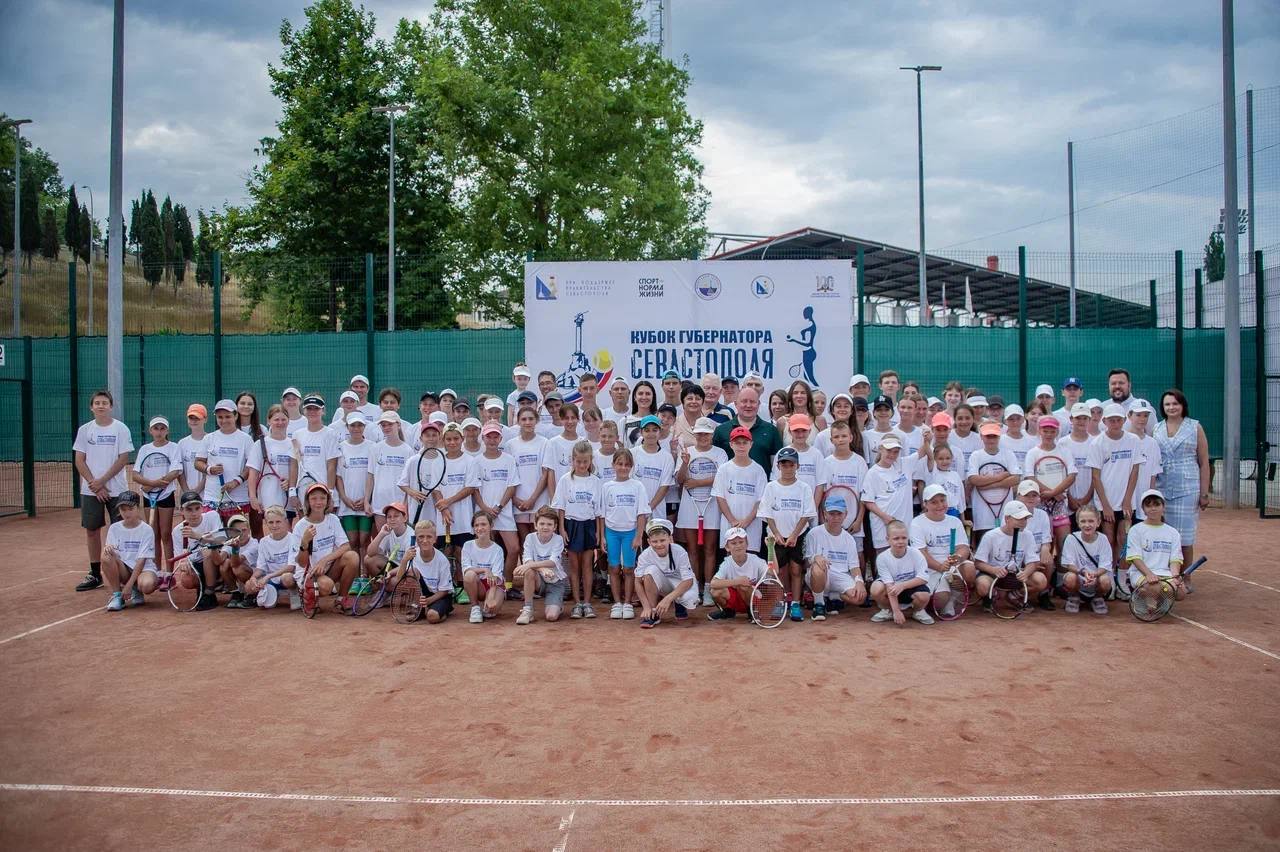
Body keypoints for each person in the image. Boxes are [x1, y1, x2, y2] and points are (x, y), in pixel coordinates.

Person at [73, 389, 135, 592]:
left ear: (111, 406)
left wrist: (102, 481)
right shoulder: (85, 430)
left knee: (122, 529)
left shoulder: (121, 429)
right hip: (91, 490)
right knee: (92, 530)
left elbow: (123, 459)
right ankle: (95, 573)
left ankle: (125, 571)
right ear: (91, 407)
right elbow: (79, 460)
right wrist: (94, 484)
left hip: (116, 490)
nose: (101, 406)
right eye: (97, 403)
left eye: (104, 403)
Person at [759, 446, 816, 622]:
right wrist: (776, 533)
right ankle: (780, 602)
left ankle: (796, 604)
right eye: (784, 464)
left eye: (791, 464)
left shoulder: (804, 488)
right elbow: (767, 513)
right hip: (776, 537)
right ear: (778, 466)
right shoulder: (771, 487)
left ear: (797, 466)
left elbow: (807, 514)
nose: (788, 468)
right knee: (780, 571)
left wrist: (794, 535)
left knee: (796, 569)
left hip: (797, 536)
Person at [1155, 389, 1210, 566]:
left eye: (1175, 403)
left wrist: (1204, 493)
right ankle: (1167, 574)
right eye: (1167, 404)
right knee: (1163, 536)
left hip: (1187, 490)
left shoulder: (1195, 427)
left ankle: (1186, 576)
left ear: (1182, 405)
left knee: (1185, 538)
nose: (1171, 407)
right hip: (1162, 488)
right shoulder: (1157, 428)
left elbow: (1204, 462)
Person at [675, 418, 726, 605]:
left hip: (712, 506)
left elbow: (722, 478)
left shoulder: (720, 453)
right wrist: (684, 463)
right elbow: (680, 479)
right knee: (692, 550)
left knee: (710, 549)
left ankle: (708, 590)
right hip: (689, 506)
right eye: (699, 434)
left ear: (712, 434)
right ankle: (694, 589)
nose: (703, 437)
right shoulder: (687, 452)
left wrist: (698, 483)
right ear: (694, 434)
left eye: (706, 433)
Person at [552, 440, 604, 619]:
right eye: (578, 461)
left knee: (587, 565)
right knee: (574, 567)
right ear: (572, 460)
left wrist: (598, 532)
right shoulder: (565, 480)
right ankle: (576, 604)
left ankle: (587, 603)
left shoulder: (596, 481)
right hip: (571, 525)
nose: (582, 465)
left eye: (585, 461)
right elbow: (560, 507)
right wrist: (562, 529)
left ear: (590, 461)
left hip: (589, 525)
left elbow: (599, 511)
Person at [1087, 403, 1142, 562]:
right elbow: (1095, 476)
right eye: (1111, 420)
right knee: (1108, 539)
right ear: (1104, 421)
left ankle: (1122, 574)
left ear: (1124, 420)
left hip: (1126, 503)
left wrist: (1127, 500)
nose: (1115, 424)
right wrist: (1106, 506)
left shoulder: (1133, 440)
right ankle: (1109, 573)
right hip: (1105, 504)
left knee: (1124, 539)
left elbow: (1135, 471)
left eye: (1118, 420)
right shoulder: (1097, 443)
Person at [294, 482, 360, 608]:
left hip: (328, 568)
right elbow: (301, 563)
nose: (318, 502)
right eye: (314, 498)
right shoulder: (300, 526)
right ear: (307, 502)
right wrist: (304, 543)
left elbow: (346, 546)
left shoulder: (333, 519)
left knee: (352, 556)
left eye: (323, 498)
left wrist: (324, 561)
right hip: (309, 574)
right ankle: (307, 594)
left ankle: (341, 599)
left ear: (328, 501)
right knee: (326, 586)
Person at [803, 494, 868, 619]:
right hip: (820, 575)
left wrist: (859, 582)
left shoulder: (849, 539)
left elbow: (854, 567)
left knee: (860, 597)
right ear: (825, 514)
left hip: (841, 577)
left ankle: (833, 597)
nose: (836, 517)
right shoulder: (814, 534)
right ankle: (819, 604)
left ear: (845, 514)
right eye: (832, 514)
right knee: (817, 568)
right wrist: (815, 558)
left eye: (839, 514)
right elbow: (805, 563)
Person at [603, 447, 649, 619]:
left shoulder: (638, 486)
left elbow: (641, 513)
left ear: (631, 466)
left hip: (630, 532)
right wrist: (602, 536)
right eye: (620, 464)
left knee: (629, 569)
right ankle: (617, 603)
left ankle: (628, 603)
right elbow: (602, 514)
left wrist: (638, 536)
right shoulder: (607, 487)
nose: (623, 467)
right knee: (614, 567)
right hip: (611, 532)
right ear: (613, 465)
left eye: (627, 464)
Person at [131, 415, 183, 570]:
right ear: (150, 431)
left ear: (167, 431)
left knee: (166, 533)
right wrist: (151, 484)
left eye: (162, 428)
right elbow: (135, 475)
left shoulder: (174, 447)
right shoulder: (145, 449)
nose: (159, 432)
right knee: (153, 534)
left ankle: (169, 573)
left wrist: (155, 485)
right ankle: (156, 571)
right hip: (148, 497)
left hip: (166, 495)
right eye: (156, 428)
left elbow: (175, 471)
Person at [973, 500, 1046, 608]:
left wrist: (1026, 573)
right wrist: (994, 570)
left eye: (1025, 519)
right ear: (1007, 518)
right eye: (1019, 518)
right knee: (983, 585)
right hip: (993, 576)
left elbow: (1032, 562)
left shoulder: (1028, 535)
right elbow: (978, 563)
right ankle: (994, 596)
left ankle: (1013, 596)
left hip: (1015, 575)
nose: (1023, 522)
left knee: (1041, 580)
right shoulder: (990, 536)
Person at [471, 422, 520, 585]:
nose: (492, 440)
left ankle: (507, 585)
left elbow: (512, 486)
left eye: (495, 437)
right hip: (483, 513)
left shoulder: (509, 460)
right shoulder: (476, 461)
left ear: (500, 439)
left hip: (503, 512)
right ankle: (487, 585)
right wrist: (485, 509)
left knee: (514, 549)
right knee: (484, 550)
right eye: (489, 437)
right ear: (483, 438)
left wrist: (499, 507)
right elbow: (474, 489)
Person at [910, 485, 975, 600]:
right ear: (925, 504)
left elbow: (963, 547)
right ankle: (941, 598)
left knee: (969, 570)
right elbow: (920, 553)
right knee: (941, 600)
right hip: (930, 568)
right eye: (934, 502)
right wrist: (940, 567)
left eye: (942, 500)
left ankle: (955, 597)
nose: (940, 505)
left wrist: (958, 558)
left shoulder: (955, 521)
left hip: (952, 566)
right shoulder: (917, 523)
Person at [712, 425, 768, 554]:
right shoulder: (724, 469)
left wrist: (746, 521)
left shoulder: (758, 470)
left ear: (751, 444)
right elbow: (720, 497)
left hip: (752, 526)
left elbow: (761, 500)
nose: (741, 446)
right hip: (730, 525)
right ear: (731, 445)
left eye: (744, 442)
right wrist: (732, 520)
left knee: (751, 559)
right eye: (737, 443)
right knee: (731, 559)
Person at [1023, 416, 1075, 554]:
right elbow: (1030, 477)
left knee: (1065, 546)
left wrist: (1054, 493)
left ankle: (1062, 569)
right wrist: (1053, 493)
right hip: (1040, 503)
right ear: (1039, 431)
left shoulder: (1064, 451)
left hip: (1060, 503)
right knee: (1044, 546)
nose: (1049, 434)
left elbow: (1072, 475)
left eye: (1052, 431)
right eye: (1045, 431)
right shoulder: (1032, 453)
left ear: (1057, 432)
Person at [634, 518, 698, 628]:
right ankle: (653, 613)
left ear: (670, 539)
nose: (659, 544)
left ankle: (679, 603)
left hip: (680, 583)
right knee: (649, 572)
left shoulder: (680, 551)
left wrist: (668, 599)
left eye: (662, 540)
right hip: (663, 583)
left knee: (689, 598)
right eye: (654, 541)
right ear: (649, 542)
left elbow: (688, 580)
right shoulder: (645, 555)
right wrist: (646, 606)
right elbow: (638, 581)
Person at [1125, 489, 1186, 601]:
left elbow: (1175, 559)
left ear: (1163, 507)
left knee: (1180, 592)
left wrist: (1175, 576)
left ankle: (1158, 599)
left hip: (1164, 573)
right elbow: (1136, 558)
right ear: (1143, 510)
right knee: (1155, 588)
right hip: (1140, 573)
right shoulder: (1135, 530)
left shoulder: (1173, 532)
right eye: (1148, 506)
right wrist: (1149, 574)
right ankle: (1147, 601)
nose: (1153, 508)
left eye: (1157, 505)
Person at [99, 491, 156, 611]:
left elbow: (141, 561)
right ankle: (117, 595)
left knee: (147, 585)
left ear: (138, 508)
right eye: (123, 509)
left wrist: (129, 586)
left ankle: (136, 589)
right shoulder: (114, 528)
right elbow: (112, 554)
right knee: (106, 555)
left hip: (143, 569)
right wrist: (109, 550)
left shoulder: (147, 530)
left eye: (130, 509)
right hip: (124, 569)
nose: (126, 513)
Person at [869, 520, 933, 625]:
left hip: (911, 587)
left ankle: (918, 611)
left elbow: (923, 578)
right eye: (896, 538)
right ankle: (888, 610)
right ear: (888, 539)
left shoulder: (916, 553)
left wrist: (902, 585)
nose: (900, 541)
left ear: (908, 538)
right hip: (892, 589)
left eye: (904, 538)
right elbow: (889, 586)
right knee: (876, 588)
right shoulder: (882, 558)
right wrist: (896, 611)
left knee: (924, 596)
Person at [197, 399, 254, 517]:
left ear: (236, 416)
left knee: (236, 529)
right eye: (220, 417)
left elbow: (251, 466)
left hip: (238, 497)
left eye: (227, 416)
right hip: (212, 496)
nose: (224, 420)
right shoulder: (209, 438)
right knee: (213, 529)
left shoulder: (246, 439)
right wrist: (209, 469)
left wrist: (236, 482)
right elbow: (198, 462)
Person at [513, 507, 570, 624]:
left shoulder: (558, 539)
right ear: (535, 525)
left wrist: (532, 566)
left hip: (555, 582)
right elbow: (527, 560)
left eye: (549, 524)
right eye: (542, 524)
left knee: (551, 617)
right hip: (539, 579)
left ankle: (557, 605)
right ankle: (528, 610)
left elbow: (552, 562)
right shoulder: (530, 538)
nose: (545, 527)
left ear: (555, 527)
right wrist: (542, 569)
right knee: (529, 571)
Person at [710, 388, 783, 478]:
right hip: (729, 485)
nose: (748, 405)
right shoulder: (721, 430)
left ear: (758, 404)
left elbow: (777, 467)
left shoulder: (771, 430)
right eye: (744, 401)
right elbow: (714, 464)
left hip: (761, 485)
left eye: (752, 402)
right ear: (736, 404)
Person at [171, 490, 225, 611]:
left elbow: (221, 541)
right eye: (189, 510)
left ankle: (209, 593)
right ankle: (202, 589)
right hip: (196, 565)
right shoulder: (177, 531)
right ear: (182, 511)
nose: (194, 513)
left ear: (202, 508)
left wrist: (198, 536)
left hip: (217, 561)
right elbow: (180, 557)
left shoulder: (212, 516)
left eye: (197, 508)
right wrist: (184, 562)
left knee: (207, 552)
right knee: (186, 579)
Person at [967, 422, 1021, 543]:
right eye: (988, 436)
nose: (991, 439)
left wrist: (989, 485)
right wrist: (1000, 476)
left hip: (1005, 513)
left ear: (999, 437)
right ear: (981, 437)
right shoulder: (976, 455)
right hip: (982, 516)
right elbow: (974, 479)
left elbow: (1016, 478)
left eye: (994, 436)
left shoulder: (1008, 454)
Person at [248, 404, 298, 528]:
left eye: (283, 419)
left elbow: (298, 471)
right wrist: (253, 497)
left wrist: (290, 483)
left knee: (287, 531)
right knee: (270, 531)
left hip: (287, 500)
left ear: (288, 421)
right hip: (267, 498)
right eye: (276, 419)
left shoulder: (294, 444)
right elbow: (253, 474)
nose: (280, 423)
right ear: (269, 421)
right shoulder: (260, 444)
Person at [706, 526, 771, 621]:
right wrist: (737, 581)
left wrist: (771, 548)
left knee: (743, 586)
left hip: (752, 599)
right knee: (714, 591)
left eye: (741, 542)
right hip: (735, 599)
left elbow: (774, 571)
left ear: (747, 544)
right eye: (733, 543)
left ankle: (752, 612)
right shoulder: (726, 563)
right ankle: (728, 611)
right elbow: (713, 583)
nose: (738, 545)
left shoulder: (755, 560)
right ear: (727, 547)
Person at [861, 433, 912, 553]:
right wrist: (886, 518)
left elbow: (923, 452)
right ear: (880, 449)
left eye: (896, 452)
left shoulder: (904, 464)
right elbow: (868, 501)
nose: (892, 455)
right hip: (882, 528)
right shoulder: (872, 473)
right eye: (889, 451)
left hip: (903, 531)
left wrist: (926, 439)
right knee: (883, 558)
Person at [396, 520, 455, 624]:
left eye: (429, 537)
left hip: (440, 596)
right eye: (421, 537)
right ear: (416, 539)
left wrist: (429, 601)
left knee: (432, 617)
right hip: (422, 595)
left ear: (435, 539)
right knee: (412, 572)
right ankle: (417, 607)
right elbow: (399, 581)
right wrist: (404, 560)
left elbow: (444, 591)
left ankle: (441, 612)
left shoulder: (442, 560)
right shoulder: (412, 554)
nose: (425, 540)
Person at [1059, 505, 1113, 614]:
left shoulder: (1103, 539)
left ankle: (1098, 598)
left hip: (1096, 579)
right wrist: (1083, 572)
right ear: (1078, 523)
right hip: (1079, 578)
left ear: (1098, 522)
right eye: (1083, 521)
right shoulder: (1071, 538)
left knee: (1105, 581)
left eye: (1091, 521)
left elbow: (1105, 566)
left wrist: (1094, 575)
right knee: (1070, 577)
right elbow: (1069, 564)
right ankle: (1074, 597)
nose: (1087, 525)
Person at [246, 505, 301, 610]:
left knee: (287, 578)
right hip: (271, 580)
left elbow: (291, 567)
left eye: (278, 522)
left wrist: (267, 577)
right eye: (271, 522)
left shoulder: (293, 539)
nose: (274, 525)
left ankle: (294, 593)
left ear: (285, 521)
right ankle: (273, 592)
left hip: (288, 578)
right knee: (248, 586)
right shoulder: (263, 542)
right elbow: (261, 568)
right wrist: (253, 578)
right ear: (266, 523)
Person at [292, 395, 340, 512]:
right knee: (306, 523)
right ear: (304, 411)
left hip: (324, 491)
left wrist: (330, 493)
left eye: (316, 408)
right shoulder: (297, 435)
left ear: (322, 411)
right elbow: (294, 465)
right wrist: (292, 492)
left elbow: (332, 466)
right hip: (303, 491)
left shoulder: (331, 434)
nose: (312, 412)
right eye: (309, 408)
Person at [336, 414, 373, 560]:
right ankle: (355, 572)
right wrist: (344, 498)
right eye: (353, 425)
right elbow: (338, 476)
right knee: (352, 541)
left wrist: (366, 499)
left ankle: (364, 572)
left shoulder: (372, 447)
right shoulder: (341, 447)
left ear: (364, 427)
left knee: (364, 541)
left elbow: (373, 475)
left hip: (366, 503)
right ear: (347, 427)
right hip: (347, 504)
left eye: (359, 425)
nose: (356, 428)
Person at [1013, 480, 1056, 609]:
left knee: (1049, 561)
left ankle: (1043, 593)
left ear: (1039, 498)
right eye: (1026, 495)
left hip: (1034, 557)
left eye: (1034, 495)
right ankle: (1016, 595)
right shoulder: (1011, 515)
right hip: (1018, 558)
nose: (1030, 498)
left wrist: (1045, 550)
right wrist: (1032, 562)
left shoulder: (1042, 515)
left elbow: (1046, 541)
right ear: (1018, 496)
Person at [461, 511, 506, 623]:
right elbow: (466, 569)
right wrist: (485, 570)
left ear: (491, 526)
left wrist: (490, 597)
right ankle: (475, 607)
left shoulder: (498, 549)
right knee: (469, 575)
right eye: (476, 525)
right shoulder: (467, 545)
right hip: (476, 583)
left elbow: (496, 576)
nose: (480, 528)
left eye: (483, 524)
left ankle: (487, 603)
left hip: (493, 585)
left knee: (490, 612)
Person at [631, 415, 674, 521]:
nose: (651, 434)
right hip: (634, 511)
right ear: (641, 432)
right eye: (647, 430)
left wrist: (648, 509)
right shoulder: (632, 453)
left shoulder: (667, 457)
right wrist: (640, 510)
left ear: (660, 432)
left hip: (657, 513)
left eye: (654, 430)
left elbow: (664, 487)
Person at [1126, 400, 1162, 521]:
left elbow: (1153, 476)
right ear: (1129, 415)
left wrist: (1150, 501)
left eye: (1145, 416)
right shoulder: (1122, 440)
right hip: (1124, 503)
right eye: (1138, 415)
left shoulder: (1152, 443)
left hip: (1142, 503)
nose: (1142, 419)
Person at [219, 514, 261, 610]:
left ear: (249, 530)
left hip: (255, 580)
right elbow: (219, 561)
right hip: (240, 581)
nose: (241, 534)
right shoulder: (230, 542)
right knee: (224, 565)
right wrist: (212, 546)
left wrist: (235, 549)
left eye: (244, 530)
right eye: (237, 531)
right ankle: (236, 594)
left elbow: (235, 563)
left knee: (237, 568)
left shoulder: (254, 544)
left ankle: (252, 595)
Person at [177, 403, 208, 502]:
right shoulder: (182, 443)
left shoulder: (211, 440)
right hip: (186, 494)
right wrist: (187, 492)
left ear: (205, 419)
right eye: (191, 418)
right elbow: (180, 471)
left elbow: (209, 471)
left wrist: (197, 491)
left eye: (197, 418)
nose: (194, 421)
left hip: (207, 495)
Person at [999, 404, 1036, 470]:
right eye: (1011, 419)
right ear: (1005, 421)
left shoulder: (1031, 442)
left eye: (1018, 418)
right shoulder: (999, 441)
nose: (1015, 422)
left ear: (1023, 420)